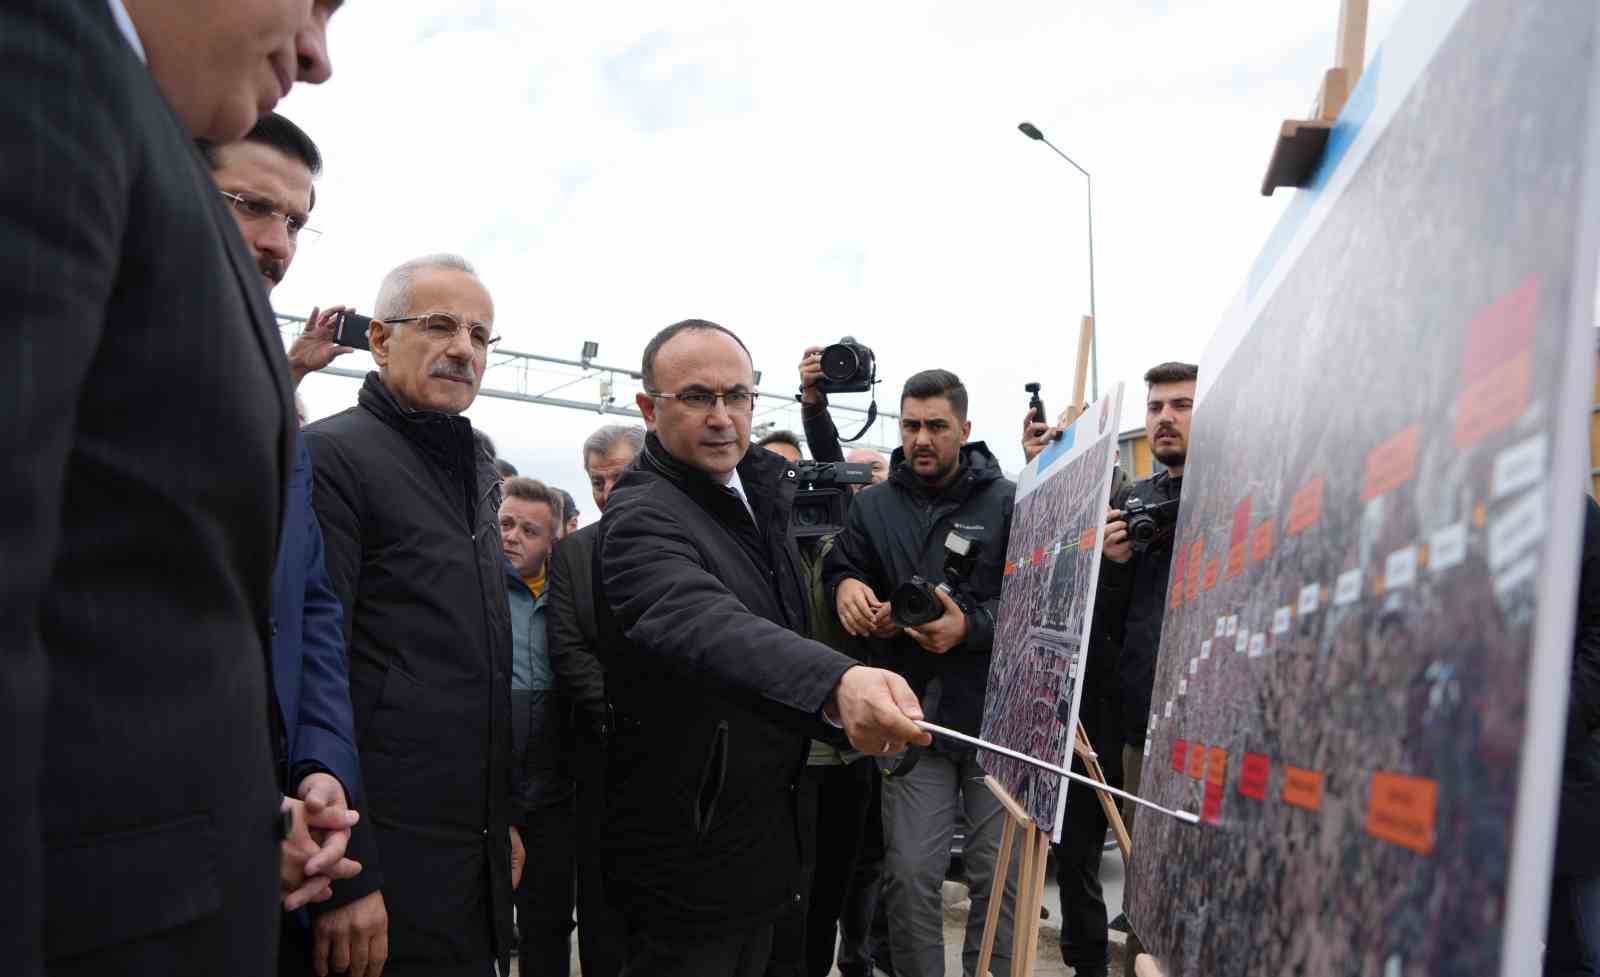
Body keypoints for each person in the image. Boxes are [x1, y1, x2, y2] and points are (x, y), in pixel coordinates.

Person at [1, 0, 339, 973]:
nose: (318, 55)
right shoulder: (47, 60)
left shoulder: (140, 142)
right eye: (316, 2)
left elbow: (115, 604)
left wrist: (243, 811)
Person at [594, 318, 930, 977]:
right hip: (687, 854)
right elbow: (703, 621)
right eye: (696, 397)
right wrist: (838, 682)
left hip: (766, 834)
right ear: (648, 408)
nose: (721, 417)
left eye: (737, 395)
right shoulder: (643, 516)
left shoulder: (759, 491)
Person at [305, 254, 524, 977]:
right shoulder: (331, 457)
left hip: (468, 857)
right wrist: (350, 873)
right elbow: (316, 672)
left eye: (480, 334)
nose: (463, 347)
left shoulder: (477, 472)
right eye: (437, 325)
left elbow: (474, 666)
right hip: (380, 863)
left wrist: (501, 823)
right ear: (379, 339)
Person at [204, 113, 373, 972]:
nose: (277, 243)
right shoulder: (84, 354)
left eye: (297, 222)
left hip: (284, 861)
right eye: (249, 206)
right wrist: (237, 811)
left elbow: (308, 611)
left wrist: (322, 770)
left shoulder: (274, 405)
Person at [824, 369, 1019, 977]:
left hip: (996, 718)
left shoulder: (1010, 500)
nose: (922, 438)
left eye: (936, 425)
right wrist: (848, 586)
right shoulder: (874, 507)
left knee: (999, 878)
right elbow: (842, 566)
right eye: (910, 425)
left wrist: (971, 626)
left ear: (965, 427)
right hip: (910, 716)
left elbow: (1039, 601)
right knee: (909, 876)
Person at [752, 432, 878, 977]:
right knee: (783, 898)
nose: (793, 488)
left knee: (831, 889)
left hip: (846, 756)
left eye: (802, 476)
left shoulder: (848, 549)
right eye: (778, 475)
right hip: (780, 756)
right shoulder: (747, 544)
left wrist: (851, 581)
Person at [546, 423, 646, 977]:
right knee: (602, 892)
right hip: (602, 750)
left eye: (618, 477)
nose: (607, 492)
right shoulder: (573, 555)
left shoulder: (684, 541)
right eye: (596, 482)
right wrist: (616, 715)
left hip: (678, 748)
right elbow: (568, 645)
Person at [499, 477, 577, 977]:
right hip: (491, 782)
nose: (512, 537)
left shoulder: (570, 595)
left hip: (555, 787)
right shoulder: (476, 589)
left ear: (553, 540)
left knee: (547, 916)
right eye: (505, 524)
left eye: (529, 530)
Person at [1547, 495, 1600, 977]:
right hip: (1495, 789)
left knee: (1589, 948)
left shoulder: (1572, 507)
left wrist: (1559, 712)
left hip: (1572, 777)